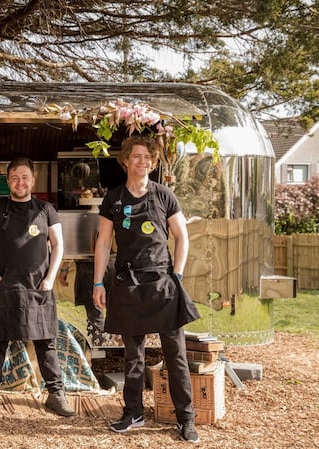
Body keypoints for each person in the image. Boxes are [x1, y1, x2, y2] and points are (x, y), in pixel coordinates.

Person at [92, 133, 201, 442]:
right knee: (132, 355)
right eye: (136, 156)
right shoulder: (113, 198)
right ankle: (133, 413)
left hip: (163, 283)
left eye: (148, 158)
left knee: (175, 354)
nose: (142, 162)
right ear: (126, 160)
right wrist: (99, 281)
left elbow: (182, 237)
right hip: (127, 283)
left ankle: (186, 418)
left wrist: (177, 275)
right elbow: (102, 243)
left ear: (153, 164)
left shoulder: (164, 195)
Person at [0, 156, 75, 418]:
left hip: (38, 286)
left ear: (33, 180)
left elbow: (59, 245)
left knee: (45, 342)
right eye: (15, 177)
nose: (20, 182)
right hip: (3, 285)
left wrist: (51, 278)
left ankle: (56, 394)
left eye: (25, 177)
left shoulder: (46, 210)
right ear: (8, 181)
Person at [57, 260, 114, 346]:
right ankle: (111, 348)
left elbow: (74, 248)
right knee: (114, 312)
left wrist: (64, 268)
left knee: (96, 316)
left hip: (89, 266)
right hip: (112, 262)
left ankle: (101, 350)